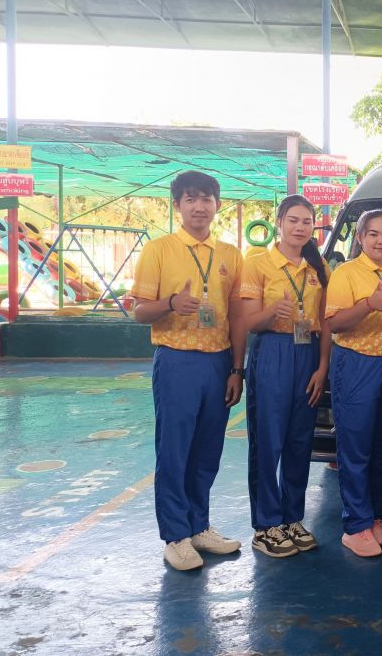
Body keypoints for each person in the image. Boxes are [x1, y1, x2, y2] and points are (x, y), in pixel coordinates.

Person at [131, 170, 245, 571]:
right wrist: (169, 304)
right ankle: (176, 536)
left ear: (217, 205)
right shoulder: (159, 250)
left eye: (206, 199)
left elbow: (237, 316)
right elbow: (138, 311)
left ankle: (199, 526)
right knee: (175, 450)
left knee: (208, 450)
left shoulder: (230, 254)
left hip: (219, 361)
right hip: (177, 359)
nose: (199, 207)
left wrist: (237, 369)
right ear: (177, 205)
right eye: (191, 199)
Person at [240, 195, 331, 558]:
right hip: (273, 351)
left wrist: (322, 367)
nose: (300, 227)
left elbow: (324, 322)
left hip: (308, 353)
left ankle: (292, 517)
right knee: (269, 440)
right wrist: (270, 312)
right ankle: (266, 525)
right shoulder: (257, 264)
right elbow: (248, 322)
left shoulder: (317, 266)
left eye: (306, 221)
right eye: (293, 220)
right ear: (278, 223)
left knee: (299, 440)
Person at [325, 209, 382, 558]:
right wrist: (368, 305)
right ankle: (355, 525)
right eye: (373, 234)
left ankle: (374, 516)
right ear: (359, 238)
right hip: (357, 363)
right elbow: (334, 323)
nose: (381, 240)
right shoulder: (346, 273)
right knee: (356, 446)